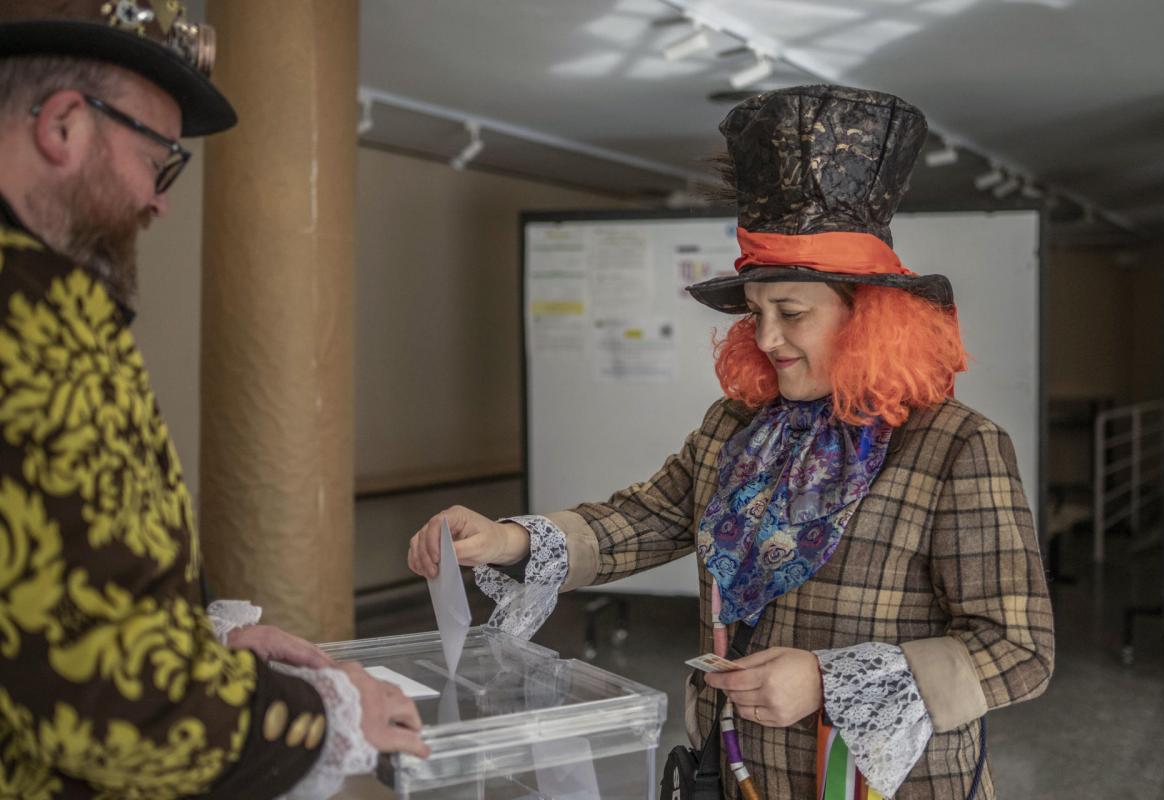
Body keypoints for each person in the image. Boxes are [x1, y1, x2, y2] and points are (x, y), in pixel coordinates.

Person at [409, 84, 1054, 799]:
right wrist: (507, 541)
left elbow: (1018, 650)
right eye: (755, 313)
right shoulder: (738, 426)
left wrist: (825, 678)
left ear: (869, 318)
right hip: (738, 771)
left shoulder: (957, 446)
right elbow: (649, 518)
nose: (768, 338)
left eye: (791, 312)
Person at [0, 3, 427, 798]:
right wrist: (331, 714)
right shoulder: (39, 312)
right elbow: (113, 701)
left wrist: (195, 639)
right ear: (63, 126)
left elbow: (38, 606)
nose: (159, 202)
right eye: (159, 161)